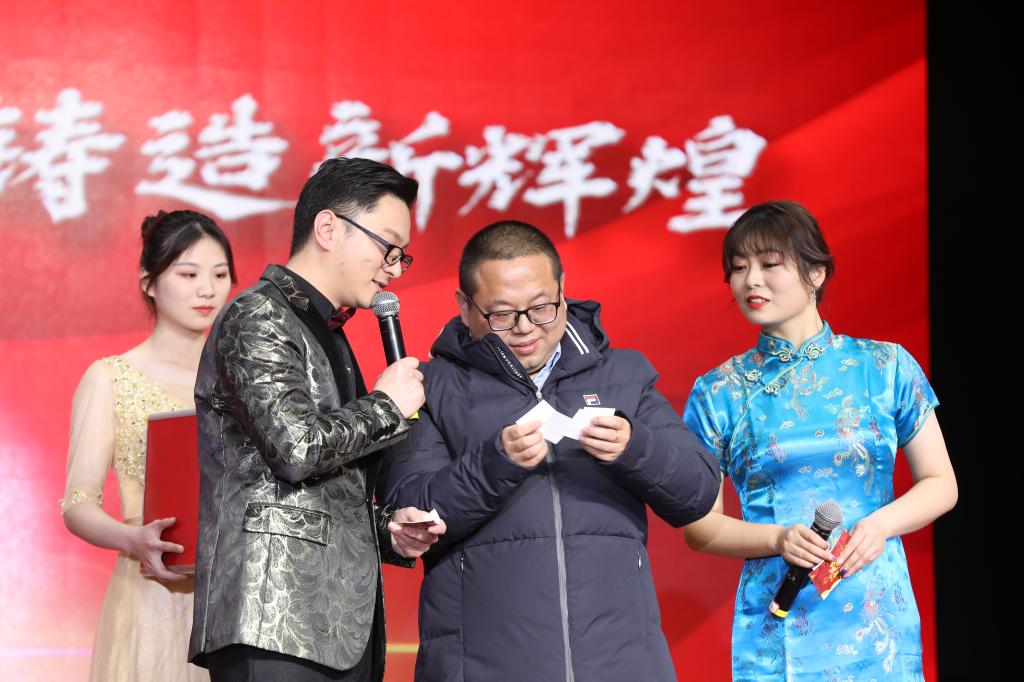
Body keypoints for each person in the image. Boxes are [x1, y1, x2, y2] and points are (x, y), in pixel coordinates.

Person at [381, 219, 721, 682]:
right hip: (480, 667)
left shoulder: (624, 374)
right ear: (464, 305)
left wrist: (634, 447)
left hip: (620, 664)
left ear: (563, 289)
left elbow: (698, 492)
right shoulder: (427, 389)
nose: (525, 329)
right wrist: (494, 464)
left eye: (542, 308)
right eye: (502, 315)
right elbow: (408, 513)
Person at [188, 157, 445, 682]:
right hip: (273, 618)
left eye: (402, 254)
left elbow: (328, 486)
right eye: (388, 246)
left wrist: (388, 531)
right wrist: (386, 405)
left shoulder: (329, 330)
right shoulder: (258, 315)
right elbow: (297, 449)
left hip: (335, 623)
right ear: (328, 228)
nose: (395, 268)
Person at [682, 200, 957, 680]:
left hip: (876, 616)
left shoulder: (885, 366)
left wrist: (880, 525)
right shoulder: (719, 391)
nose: (751, 281)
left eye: (769, 264)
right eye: (739, 268)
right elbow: (700, 527)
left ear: (816, 273)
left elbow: (941, 483)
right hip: (778, 617)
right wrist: (778, 538)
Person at [62, 209, 237, 682]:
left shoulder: (243, 381)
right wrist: (133, 540)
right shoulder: (110, 378)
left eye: (220, 275)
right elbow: (77, 504)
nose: (207, 290)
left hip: (235, 600)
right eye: (189, 274)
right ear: (149, 282)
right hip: (152, 596)